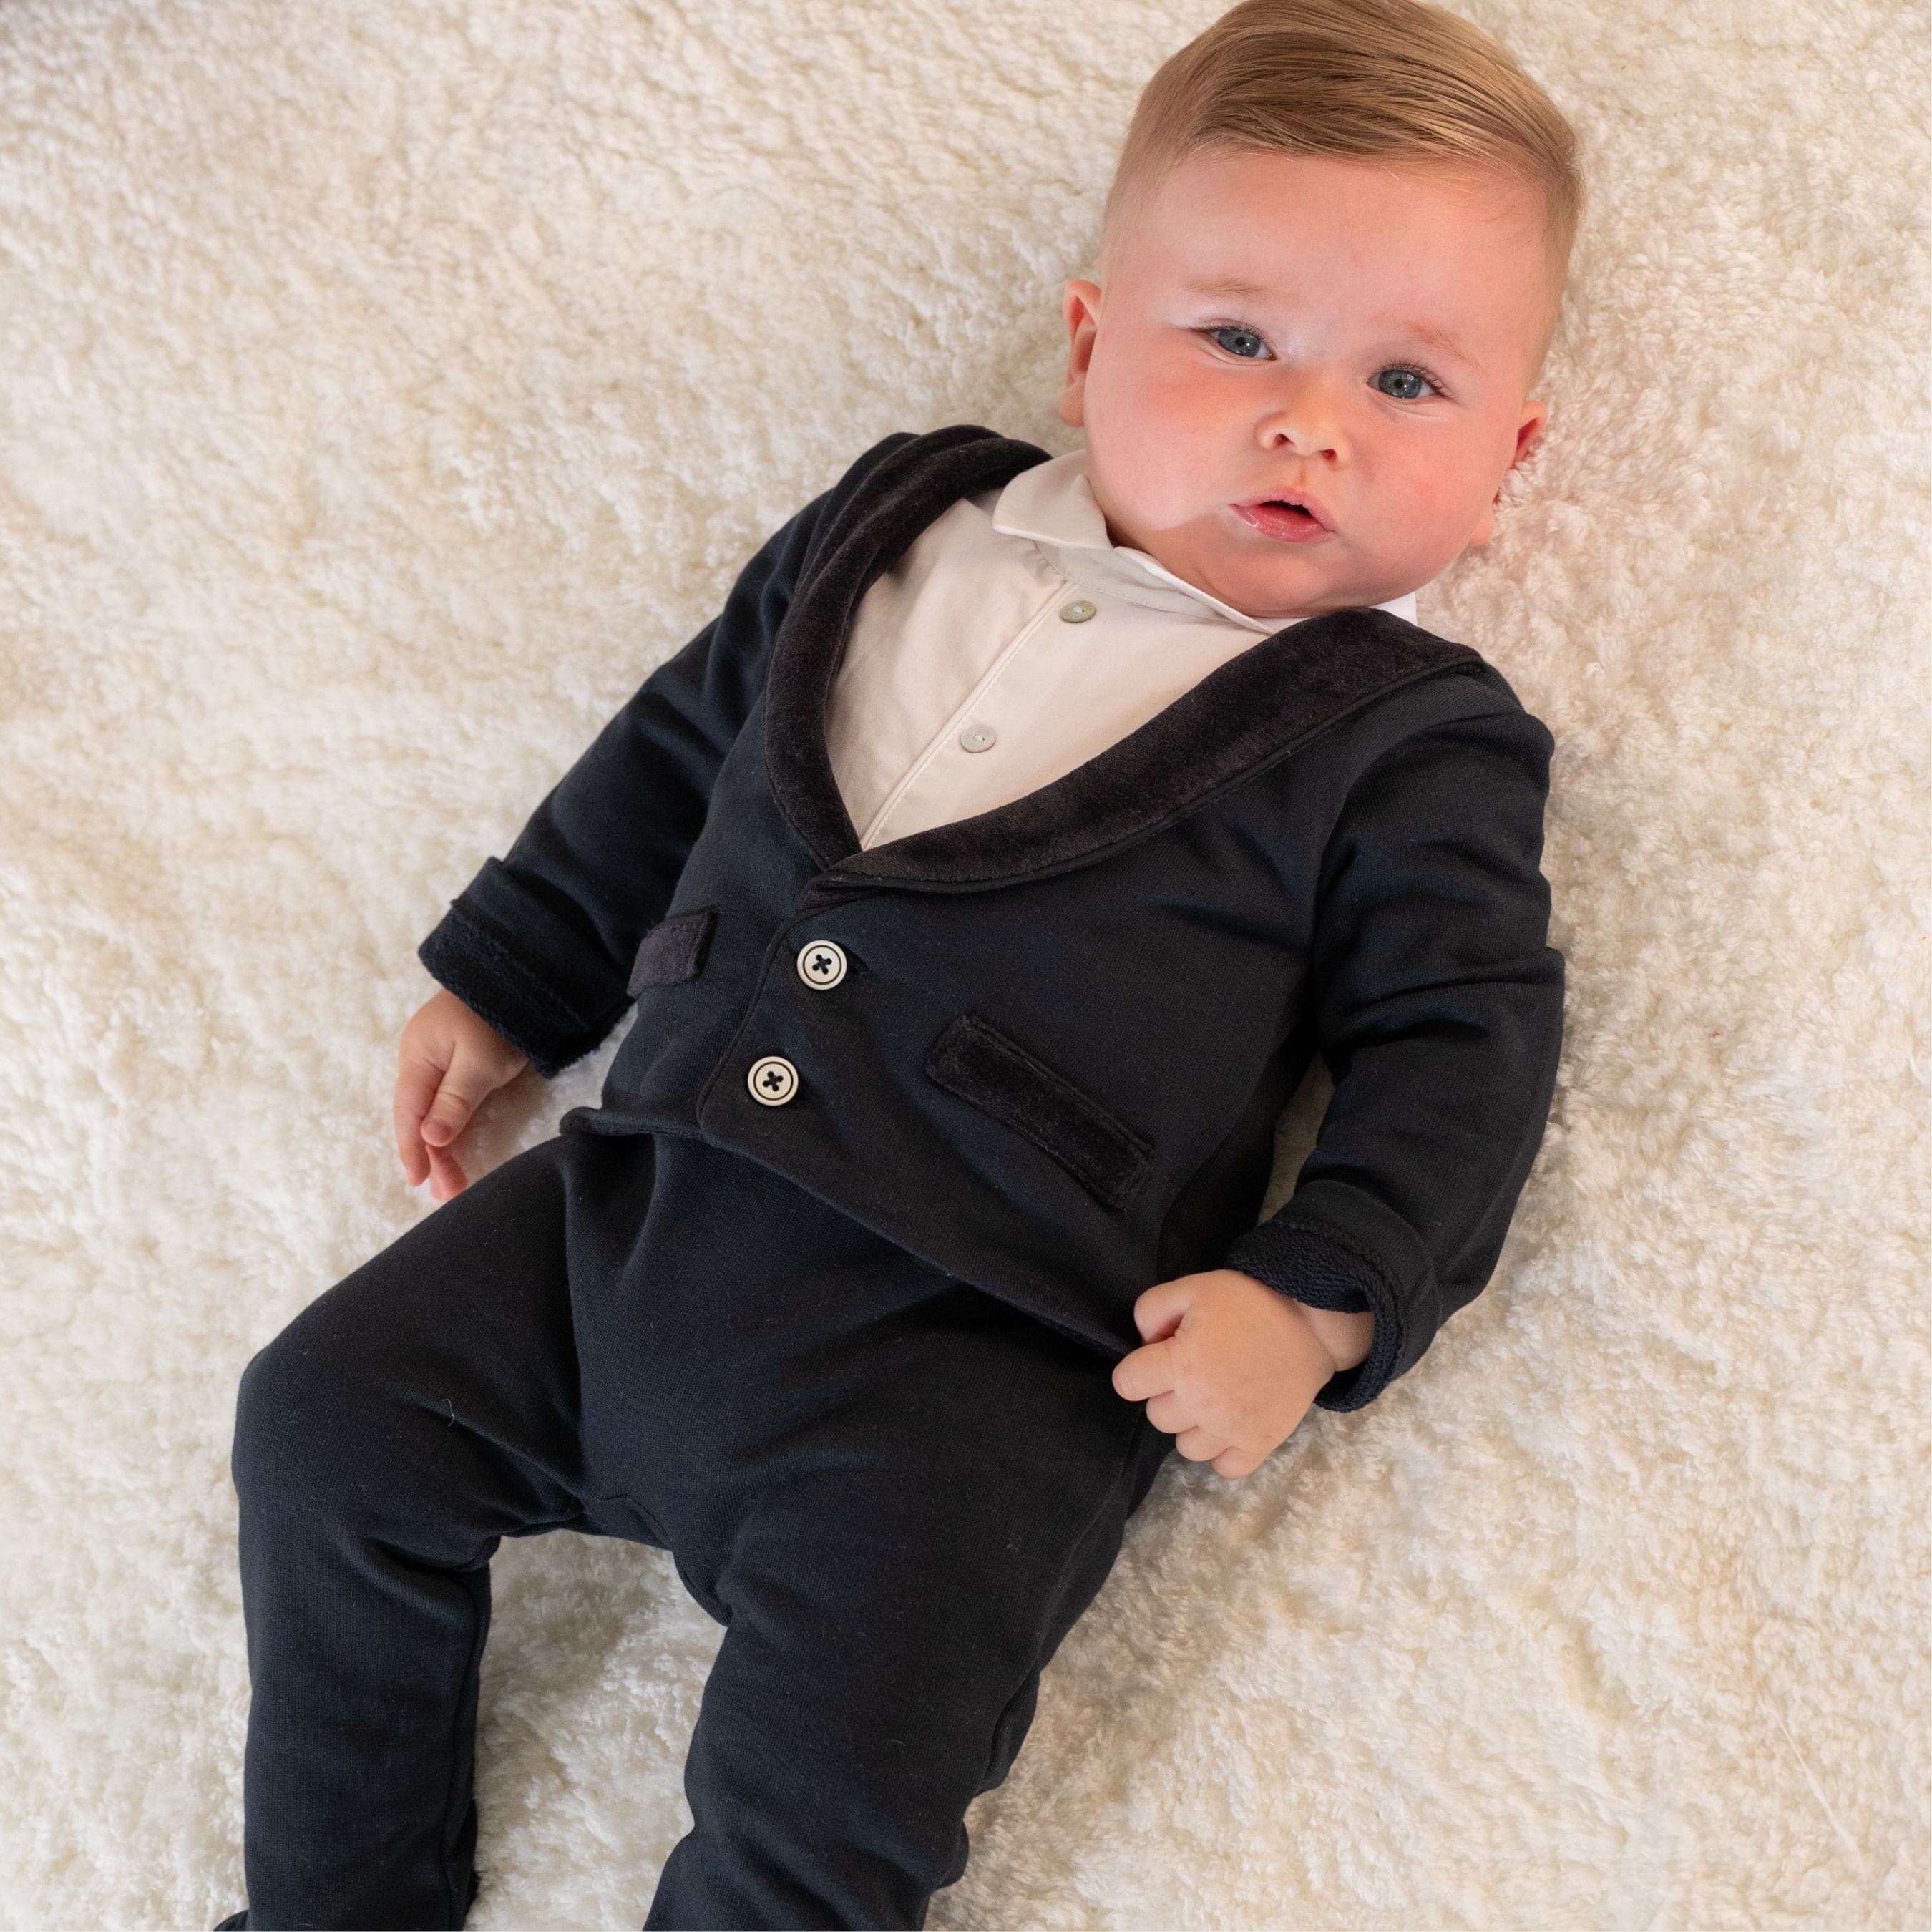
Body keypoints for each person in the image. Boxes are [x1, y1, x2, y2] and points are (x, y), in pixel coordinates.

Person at [219, 0, 1582, 1923]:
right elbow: (682, 744)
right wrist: (519, 974)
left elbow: (1461, 1038)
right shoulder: (905, 515)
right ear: (1088, 340)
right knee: (322, 1415)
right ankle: (335, 1901)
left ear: (1510, 457)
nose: (1311, 420)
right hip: (631, 1215)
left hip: (968, 1365)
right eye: (1237, 338)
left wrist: (1318, 1298)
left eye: (1409, 382)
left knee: (827, 1787)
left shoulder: (1403, 735)